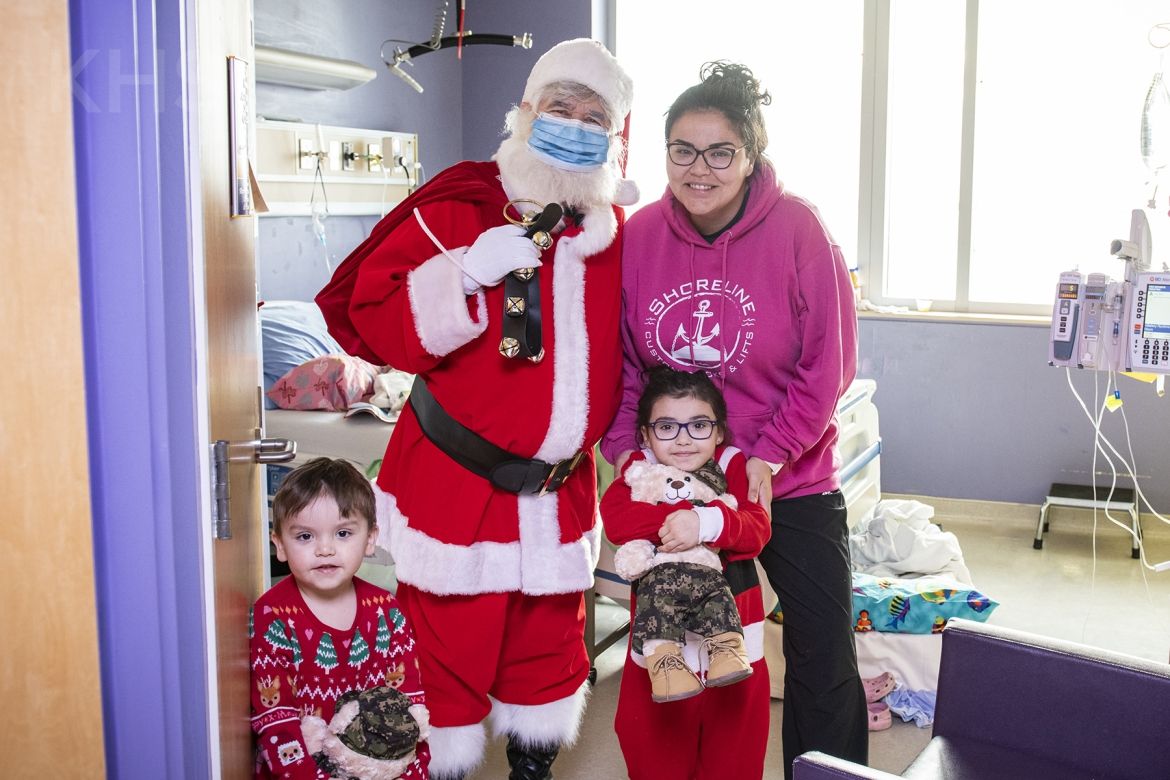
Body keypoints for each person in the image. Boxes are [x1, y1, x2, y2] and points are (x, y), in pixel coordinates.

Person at [315, 38, 635, 780]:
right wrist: (460, 273)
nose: (575, 125)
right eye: (561, 107)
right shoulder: (459, 202)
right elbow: (362, 315)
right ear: (525, 111)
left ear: (613, 140)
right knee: (446, 673)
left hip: (557, 501)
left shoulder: (617, 237)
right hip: (456, 492)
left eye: (595, 117)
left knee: (548, 668)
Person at [600, 61, 865, 778]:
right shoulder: (640, 235)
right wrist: (630, 457)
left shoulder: (801, 231)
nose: (701, 168)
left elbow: (827, 366)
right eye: (682, 149)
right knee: (683, 645)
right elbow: (625, 367)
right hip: (674, 478)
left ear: (751, 156)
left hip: (789, 477)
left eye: (721, 151)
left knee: (822, 648)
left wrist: (767, 455)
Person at [601, 366, 772, 779]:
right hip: (660, 646)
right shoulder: (639, 472)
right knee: (654, 751)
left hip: (736, 642)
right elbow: (618, 521)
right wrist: (689, 517)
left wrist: (706, 525)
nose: (682, 439)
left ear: (718, 432)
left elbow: (756, 529)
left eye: (698, 425)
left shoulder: (733, 465)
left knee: (733, 756)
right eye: (666, 426)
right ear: (645, 435)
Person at [250, 457, 430, 779]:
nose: (325, 549)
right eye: (305, 537)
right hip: (304, 770)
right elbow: (275, 720)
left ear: (371, 539)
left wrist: (410, 774)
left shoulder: (386, 612)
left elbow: (409, 709)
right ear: (279, 544)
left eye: (343, 533)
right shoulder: (274, 616)